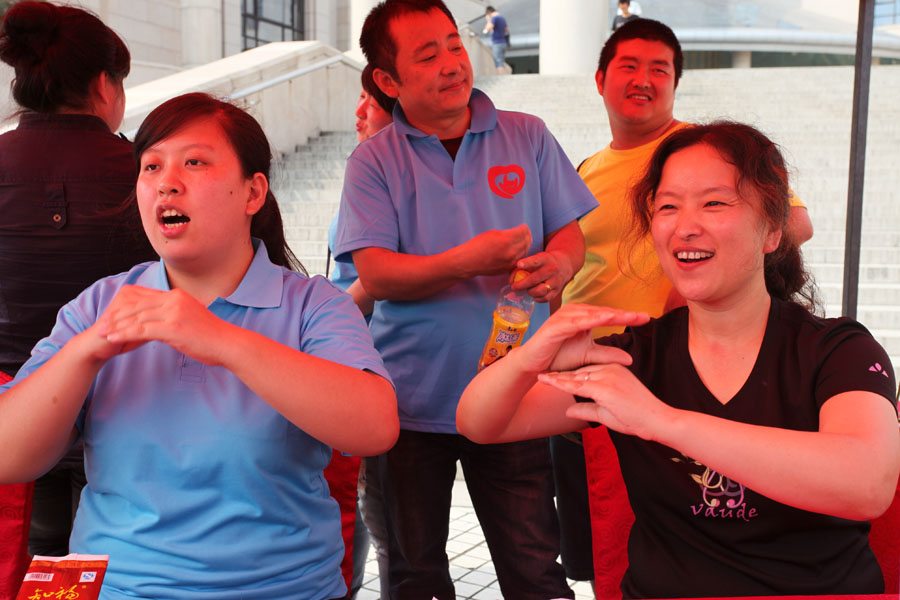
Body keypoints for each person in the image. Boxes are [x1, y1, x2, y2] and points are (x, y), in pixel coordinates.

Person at [457, 121, 900, 598]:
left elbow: (866, 484)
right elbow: (480, 423)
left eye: (714, 203)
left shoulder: (838, 349)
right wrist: (528, 359)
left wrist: (662, 421)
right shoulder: (632, 356)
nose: (685, 225)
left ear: (772, 229)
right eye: (667, 206)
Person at [0, 92, 398, 600]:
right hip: (119, 588)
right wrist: (86, 350)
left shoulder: (313, 306)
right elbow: (8, 457)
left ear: (253, 193)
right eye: (151, 166)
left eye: (195, 162)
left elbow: (376, 427)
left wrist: (220, 339)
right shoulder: (101, 304)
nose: (168, 181)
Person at [335, 1, 596, 598]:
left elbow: (569, 233)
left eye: (454, 45)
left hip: (515, 396)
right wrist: (467, 262)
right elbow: (374, 273)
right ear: (387, 80)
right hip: (407, 407)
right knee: (413, 572)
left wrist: (560, 263)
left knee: (533, 566)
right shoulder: (373, 162)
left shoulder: (525, 134)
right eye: (428, 55)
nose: (452, 63)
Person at [551, 18, 815, 587]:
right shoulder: (583, 171)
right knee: (602, 549)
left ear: (675, 84)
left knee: (697, 525)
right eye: (629, 66)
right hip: (596, 377)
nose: (644, 79)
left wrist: (685, 300)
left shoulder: (700, 153)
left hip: (679, 371)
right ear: (599, 80)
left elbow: (796, 220)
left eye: (660, 69)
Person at [0, 2, 156, 593]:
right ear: (103, 85)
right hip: (131, 409)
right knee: (114, 559)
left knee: (37, 559)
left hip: (15, 409)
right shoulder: (147, 170)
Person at [324, 63, 395, 600]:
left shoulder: (394, 174)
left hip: (372, 357)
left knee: (372, 511)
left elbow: (375, 279)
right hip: (347, 352)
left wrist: (325, 317)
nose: (358, 113)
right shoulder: (366, 169)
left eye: (368, 102)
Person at [482, 5, 509, 75]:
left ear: (488, 13)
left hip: (497, 42)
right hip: (503, 42)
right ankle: (502, 75)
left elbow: (488, 29)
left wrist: (488, 20)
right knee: (501, 60)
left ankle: (500, 77)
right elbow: (506, 30)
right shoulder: (502, 17)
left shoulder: (494, 18)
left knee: (498, 60)